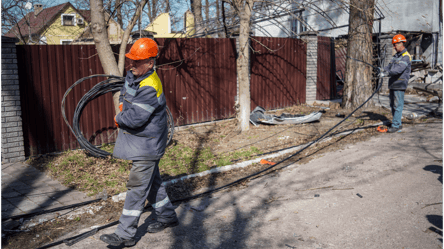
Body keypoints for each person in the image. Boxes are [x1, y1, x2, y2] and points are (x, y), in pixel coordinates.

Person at [100, 38, 179, 247]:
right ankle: (167, 216)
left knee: (136, 187)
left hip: (148, 145)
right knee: (153, 183)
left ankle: (125, 234)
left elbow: (135, 118)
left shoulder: (150, 86)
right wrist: (121, 105)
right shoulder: (134, 75)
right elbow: (125, 95)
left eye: (137, 61)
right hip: (142, 142)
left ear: (150, 63)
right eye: (131, 60)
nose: (131, 65)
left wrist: (119, 118)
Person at [379, 34, 412, 133]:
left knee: (398, 105)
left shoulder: (406, 57)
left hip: (400, 84)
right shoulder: (395, 56)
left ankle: (396, 125)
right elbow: (389, 67)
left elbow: (398, 70)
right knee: (393, 105)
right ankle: (397, 122)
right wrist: (381, 70)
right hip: (393, 83)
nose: (393, 47)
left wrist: (386, 73)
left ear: (401, 43)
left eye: (395, 45)